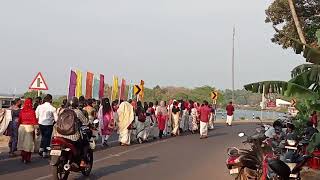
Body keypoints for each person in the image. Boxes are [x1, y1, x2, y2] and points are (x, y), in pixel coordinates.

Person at [55, 97, 90, 167]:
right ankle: (82, 161)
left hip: (60, 134)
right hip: (73, 136)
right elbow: (86, 122)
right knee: (85, 144)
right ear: (77, 104)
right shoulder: (77, 112)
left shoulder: (62, 111)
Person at [17, 98, 38, 164]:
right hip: (29, 127)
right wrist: (37, 128)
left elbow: (19, 120)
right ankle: (27, 158)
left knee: (22, 143)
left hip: (21, 127)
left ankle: (23, 157)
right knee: (28, 144)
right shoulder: (32, 111)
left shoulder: (22, 111)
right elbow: (34, 121)